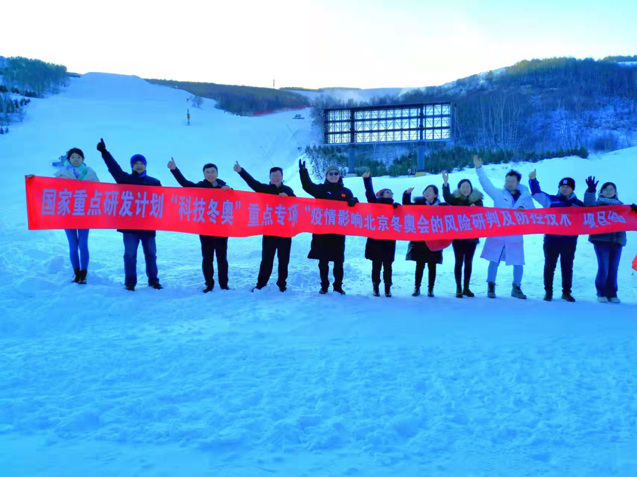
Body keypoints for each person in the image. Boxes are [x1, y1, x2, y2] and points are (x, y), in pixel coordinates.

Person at [97, 138, 163, 291]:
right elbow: (114, 168)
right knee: (130, 255)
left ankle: (154, 280)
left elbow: (163, 201)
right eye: (136, 163)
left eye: (141, 163)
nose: (139, 165)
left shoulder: (154, 182)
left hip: (148, 226)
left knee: (151, 254)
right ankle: (130, 282)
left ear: (145, 165)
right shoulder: (124, 179)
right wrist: (104, 152)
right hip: (130, 227)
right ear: (132, 165)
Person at [28, 148, 100, 284]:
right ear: (69, 159)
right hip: (67, 214)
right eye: (73, 157)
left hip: (84, 214)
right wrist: (34, 180)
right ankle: (76, 272)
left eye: (79, 157)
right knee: (73, 245)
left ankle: (84, 273)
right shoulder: (62, 174)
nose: (76, 160)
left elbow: (100, 190)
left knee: (83, 244)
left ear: (83, 159)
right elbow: (49, 187)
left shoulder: (90, 173)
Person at [473, 155, 534, 299]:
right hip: (498, 234)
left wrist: (524, 211)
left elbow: (533, 214)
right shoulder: (499, 194)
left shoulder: (525, 197)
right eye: (507, 180)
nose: (509, 183)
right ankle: (491, 285)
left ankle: (516, 287)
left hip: (515, 235)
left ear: (518, 182)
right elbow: (486, 185)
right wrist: (479, 168)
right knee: (494, 259)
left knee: (518, 261)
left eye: (512, 181)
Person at [168, 157, 232, 293]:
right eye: (207, 172)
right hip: (205, 229)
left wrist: (229, 190)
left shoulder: (224, 187)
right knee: (207, 258)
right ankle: (209, 284)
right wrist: (174, 170)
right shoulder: (200, 187)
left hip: (222, 229)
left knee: (222, 257)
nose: (210, 174)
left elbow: (237, 201)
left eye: (213, 171)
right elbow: (185, 184)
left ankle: (224, 284)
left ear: (217, 173)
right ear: (204, 174)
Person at [234, 161, 295, 292]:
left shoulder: (288, 190)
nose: (276, 178)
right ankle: (261, 284)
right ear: (270, 177)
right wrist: (241, 171)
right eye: (273, 175)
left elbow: (297, 205)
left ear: (282, 176)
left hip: (285, 231)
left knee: (284, 260)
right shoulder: (264, 189)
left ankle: (282, 283)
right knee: (267, 259)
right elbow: (252, 182)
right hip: (269, 231)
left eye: (278, 175)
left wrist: (289, 198)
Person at [299, 160, 358, 295]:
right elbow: (307, 186)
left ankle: (338, 286)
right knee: (323, 261)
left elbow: (356, 208)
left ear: (339, 175)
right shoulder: (320, 190)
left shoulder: (346, 192)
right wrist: (303, 172)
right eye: (330, 173)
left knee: (338, 261)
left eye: (336, 173)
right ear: (326, 176)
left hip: (338, 232)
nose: (333, 175)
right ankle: (324, 285)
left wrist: (354, 201)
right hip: (322, 232)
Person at [529, 171, 584, 302]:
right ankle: (548, 291)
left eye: (568, 187)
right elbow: (537, 194)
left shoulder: (579, 205)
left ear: (572, 189)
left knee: (567, 267)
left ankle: (566, 292)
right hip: (551, 239)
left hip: (569, 241)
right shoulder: (551, 200)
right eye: (562, 186)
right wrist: (533, 180)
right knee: (549, 266)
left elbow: (593, 214)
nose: (564, 189)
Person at [584, 177, 628, 303]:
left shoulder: (622, 207)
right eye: (606, 189)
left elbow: (629, 220)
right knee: (604, 267)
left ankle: (612, 293)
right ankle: (601, 292)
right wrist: (590, 191)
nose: (609, 191)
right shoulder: (597, 205)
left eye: (611, 189)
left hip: (617, 240)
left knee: (613, 268)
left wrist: (634, 211)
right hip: (601, 240)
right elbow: (588, 205)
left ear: (615, 192)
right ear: (601, 191)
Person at [442, 172, 484, 298]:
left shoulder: (477, 200)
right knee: (459, 262)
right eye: (463, 187)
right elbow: (447, 197)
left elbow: (481, 212)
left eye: (467, 187)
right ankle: (458, 288)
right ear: (459, 189)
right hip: (458, 237)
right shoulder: (455, 200)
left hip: (472, 238)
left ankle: (466, 287)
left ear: (471, 188)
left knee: (468, 262)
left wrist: (476, 208)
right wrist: (445, 183)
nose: (465, 189)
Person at [362, 171, 400, 297]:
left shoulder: (395, 207)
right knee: (376, 265)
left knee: (388, 266)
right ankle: (376, 286)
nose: (390, 194)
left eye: (391, 192)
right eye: (387, 192)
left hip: (389, 241)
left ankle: (388, 287)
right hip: (376, 240)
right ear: (381, 195)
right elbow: (370, 194)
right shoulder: (375, 204)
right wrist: (367, 180)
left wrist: (399, 208)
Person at [403, 185, 445, 297]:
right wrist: (407, 194)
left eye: (430, 191)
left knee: (432, 265)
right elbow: (407, 206)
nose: (427, 192)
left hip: (435, 240)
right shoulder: (419, 204)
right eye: (426, 190)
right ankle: (417, 287)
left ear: (435, 195)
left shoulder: (442, 207)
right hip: (420, 240)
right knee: (420, 264)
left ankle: (431, 289)